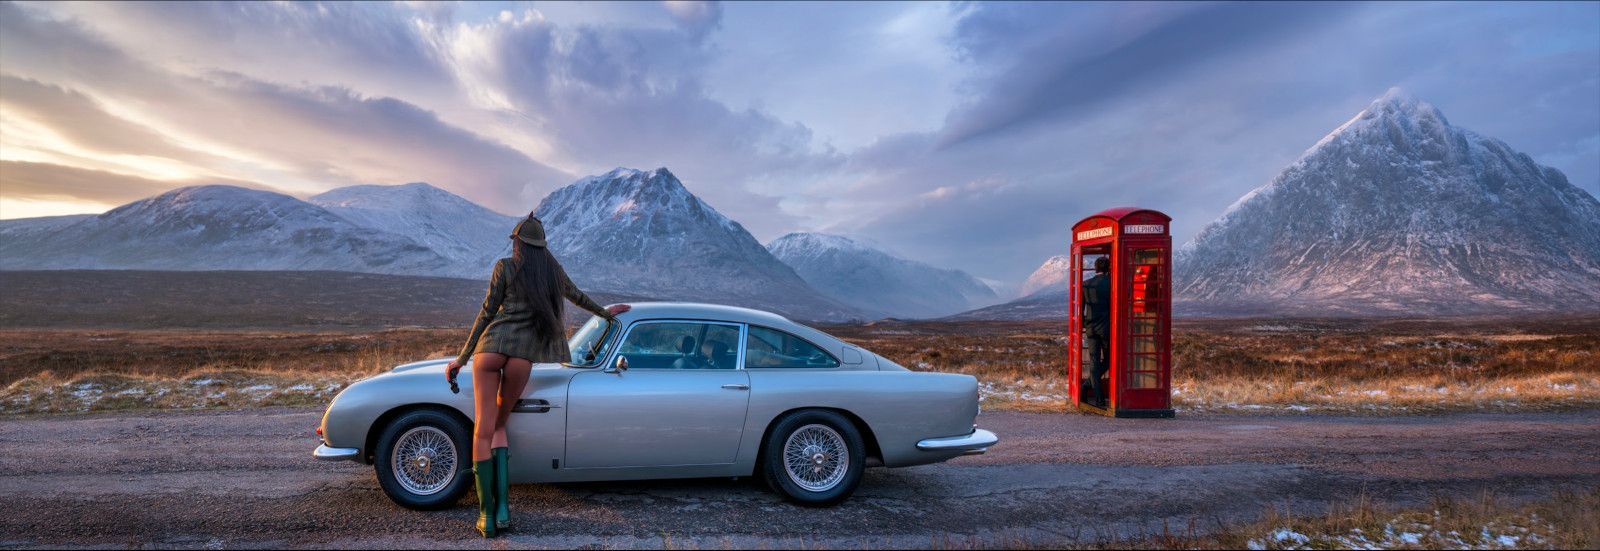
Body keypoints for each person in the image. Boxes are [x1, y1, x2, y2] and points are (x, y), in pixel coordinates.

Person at [445, 214, 629, 538]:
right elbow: (577, 295)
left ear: (517, 242)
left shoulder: (504, 267)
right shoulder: (551, 272)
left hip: (490, 349)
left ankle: (486, 516)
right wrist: (604, 312)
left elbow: (486, 312)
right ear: (541, 246)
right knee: (500, 424)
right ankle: (504, 510)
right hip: (522, 357)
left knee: (483, 430)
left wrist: (461, 358)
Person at [1082, 256, 1111, 407]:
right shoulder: (1111, 283)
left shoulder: (1086, 284)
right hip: (1106, 328)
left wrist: (1084, 324)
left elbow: (1081, 309)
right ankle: (1086, 385)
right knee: (1108, 360)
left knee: (1094, 362)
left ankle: (1098, 398)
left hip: (1091, 328)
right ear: (1108, 268)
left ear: (1095, 268)